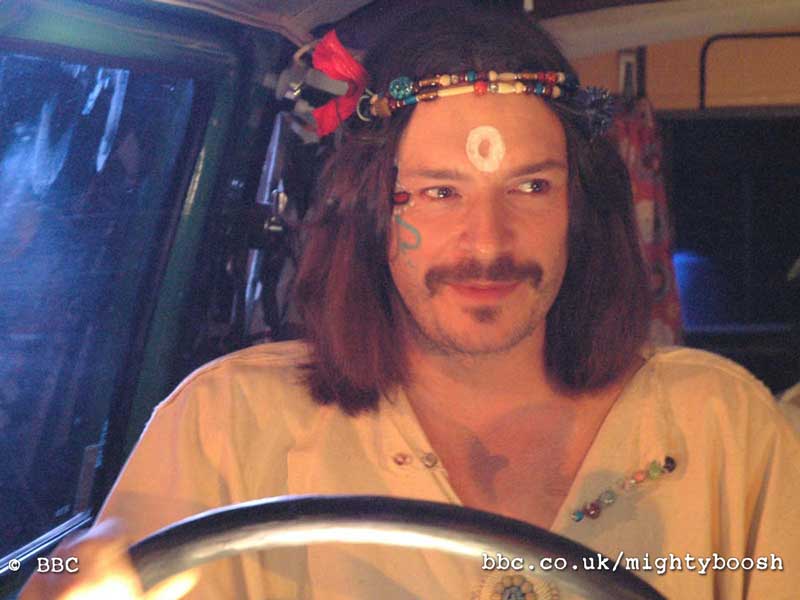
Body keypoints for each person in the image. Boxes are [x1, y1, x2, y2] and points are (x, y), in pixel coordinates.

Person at [20, 4, 799, 599]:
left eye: (530, 186)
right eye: (437, 192)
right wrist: (65, 577)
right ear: (370, 210)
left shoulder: (719, 425)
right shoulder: (229, 422)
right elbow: (83, 569)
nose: (487, 240)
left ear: (580, 209)